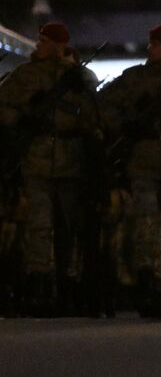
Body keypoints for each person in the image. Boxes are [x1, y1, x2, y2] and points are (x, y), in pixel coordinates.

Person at [97, 23, 161, 317]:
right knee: (147, 224)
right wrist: (126, 123)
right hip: (144, 158)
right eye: (153, 43)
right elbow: (104, 105)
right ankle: (148, 281)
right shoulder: (135, 78)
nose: (154, 49)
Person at [0, 23, 99, 316]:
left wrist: (79, 92)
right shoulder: (25, 76)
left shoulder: (79, 77)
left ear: (59, 44)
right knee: (39, 225)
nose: (39, 46)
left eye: (45, 41)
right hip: (37, 159)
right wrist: (21, 117)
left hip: (71, 161)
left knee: (68, 225)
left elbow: (93, 116)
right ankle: (39, 282)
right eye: (39, 40)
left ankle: (68, 281)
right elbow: (3, 105)